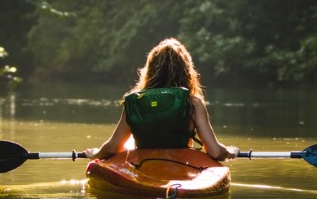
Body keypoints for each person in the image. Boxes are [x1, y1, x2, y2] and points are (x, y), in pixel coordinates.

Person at [84, 38, 238, 161]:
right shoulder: (193, 103)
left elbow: (112, 148)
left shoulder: (135, 102)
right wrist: (230, 151)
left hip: (143, 166)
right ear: (186, 71)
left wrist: (96, 154)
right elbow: (215, 152)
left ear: (150, 69)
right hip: (181, 166)